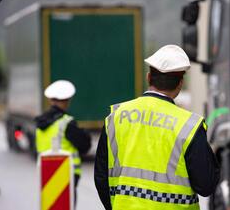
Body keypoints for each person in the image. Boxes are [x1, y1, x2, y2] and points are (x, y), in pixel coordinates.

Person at [94, 45, 220, 210]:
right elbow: (206, 185)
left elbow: (101, 178)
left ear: (148, 77)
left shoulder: (115, 117)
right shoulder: (189, 126)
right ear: (180, 84)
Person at [35, 80, 91, 205]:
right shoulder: (66, 123)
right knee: (66, 205)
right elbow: (85, 146)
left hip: (45, 173)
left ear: (50, 100)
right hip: (67, 173)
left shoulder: (40, 124)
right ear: (67, 101)